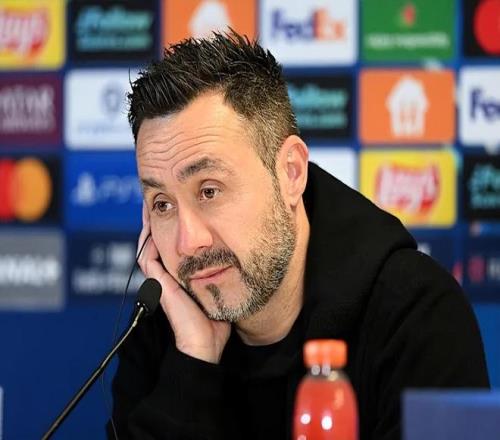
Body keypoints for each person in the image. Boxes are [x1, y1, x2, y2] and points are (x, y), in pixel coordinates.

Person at [108, 31, 489, 440]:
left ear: (291, 173)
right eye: (162, 204)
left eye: (209, 191)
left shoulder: (417, 317)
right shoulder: (162, 328)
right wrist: (193, 364)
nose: (187, 243)